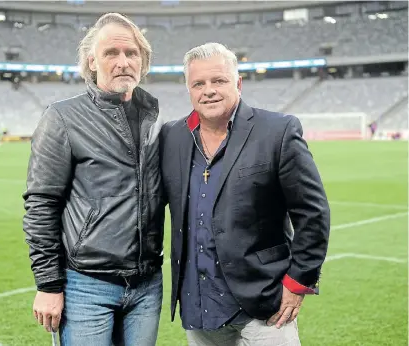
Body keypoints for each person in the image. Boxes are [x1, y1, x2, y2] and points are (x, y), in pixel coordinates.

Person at [160, 42, 331, 346]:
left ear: (237, 83)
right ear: (188, 89)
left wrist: (298, 283)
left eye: (219, 80)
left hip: (265, 305)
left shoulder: (277, 131)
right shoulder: (173, 136)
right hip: (199, 307)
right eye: (198, 83)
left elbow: (312, 212)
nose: (208, 90)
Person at [22, 13, 164, 346]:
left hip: (147, 285)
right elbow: (41, 204)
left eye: (131, 53)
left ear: (142, 61)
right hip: (86, 285)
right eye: (111, 53)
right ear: (92, 61)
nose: (123, 62)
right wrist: (48, 284)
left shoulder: (154, 116)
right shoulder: (62, 118)